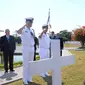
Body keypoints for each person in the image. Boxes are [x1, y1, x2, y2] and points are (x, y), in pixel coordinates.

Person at [17, 17, 35, 85]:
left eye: (31, 22)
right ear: (27, 23)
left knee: (30, 64)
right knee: (25, 64)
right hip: (26, 48)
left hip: (32, 48)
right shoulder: (23, 29)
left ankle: (29, 78)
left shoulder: (32, 30)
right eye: (30, 22)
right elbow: (18, 32)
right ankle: (24, 79)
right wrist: (24, 25)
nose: (31, 24)